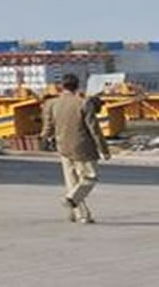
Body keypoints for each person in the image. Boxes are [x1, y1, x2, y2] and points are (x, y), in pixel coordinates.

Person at [42, 73, 110, 223]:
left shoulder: (52, 104)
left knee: (72, 181)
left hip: (63, 147)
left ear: (61, 86)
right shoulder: (84, 103)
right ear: (78, 86)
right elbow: (94, 129)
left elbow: (48, 126)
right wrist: (104, 149)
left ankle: (81, 215)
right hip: (83, 147)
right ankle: (71, 199)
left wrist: (45, 138)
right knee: (90, 177)